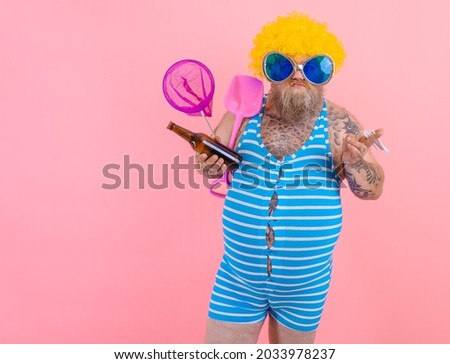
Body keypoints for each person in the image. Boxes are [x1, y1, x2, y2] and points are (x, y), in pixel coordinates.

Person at [196, 12, 385, 344]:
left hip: (305, 288)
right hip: (238, 281)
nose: (298, 75)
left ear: (327, 74)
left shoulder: (339, 123)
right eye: (282, 65)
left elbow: (373, 190)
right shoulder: (242, 113)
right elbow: (211, 166)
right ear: (267, 71)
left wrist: (356, 164)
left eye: (313, 67)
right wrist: (208, 164)